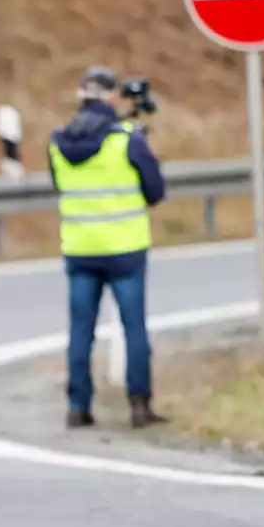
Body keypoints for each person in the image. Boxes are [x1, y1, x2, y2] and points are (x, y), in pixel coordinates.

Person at [48, 66, 168, 429]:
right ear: (112, 98)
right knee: (134, 328)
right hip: (126, 251)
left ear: (81, 97)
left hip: (81, 249)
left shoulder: (58, 141)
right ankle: (139, 406)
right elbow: (155, 191)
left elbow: (60, 187)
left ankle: (78, 407)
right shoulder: (127, 139)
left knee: (81, 330)